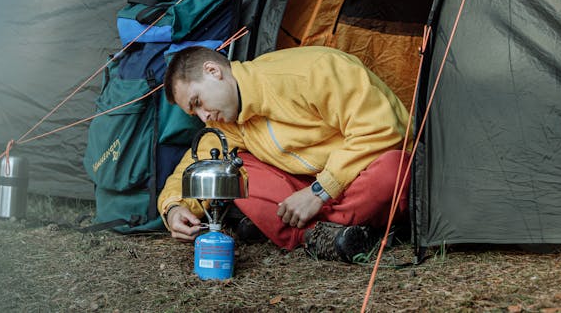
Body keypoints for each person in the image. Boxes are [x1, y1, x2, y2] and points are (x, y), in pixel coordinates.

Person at [158, 45, 412, 262]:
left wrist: (320, 191)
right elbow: (199, 161)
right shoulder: (225, 123)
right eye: (195, 113)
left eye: (198, 103)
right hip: (305, 189)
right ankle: (330, 235)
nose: (204, 116)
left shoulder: (311, 71)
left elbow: (382, 130)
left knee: (394, 169)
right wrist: (172, 207)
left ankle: (305, 232)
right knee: (234, 169)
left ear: (213, 71)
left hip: (356, 177)